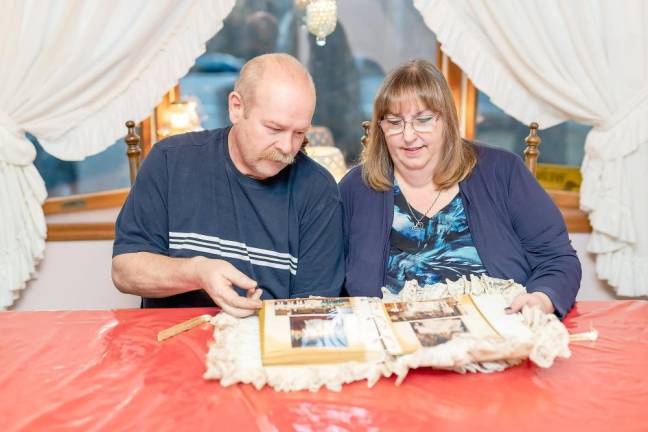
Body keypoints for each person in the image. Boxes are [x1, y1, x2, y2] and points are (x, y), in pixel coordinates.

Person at [339, 59, 581, 318]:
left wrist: (540, 299)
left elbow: (558, 260)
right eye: (395, 122)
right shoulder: (355, 189)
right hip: (393, 347)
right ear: (381, 126)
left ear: (446, 120)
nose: (409, 136)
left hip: (494, 337)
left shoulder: (502, 172)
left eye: (423, 119)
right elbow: (328, 280)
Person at [112, 53, 344, 316]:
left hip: (263, 350)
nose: (287, 147)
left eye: (300, 133)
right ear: (237, 108)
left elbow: (311, 314)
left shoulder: (319, 191)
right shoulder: (170, 160)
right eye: (274, 128)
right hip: (172, 346)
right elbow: (125, 271)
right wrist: (197, 272)